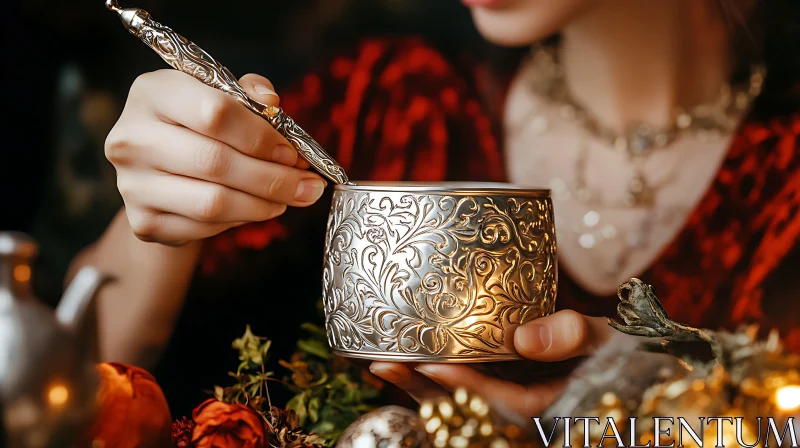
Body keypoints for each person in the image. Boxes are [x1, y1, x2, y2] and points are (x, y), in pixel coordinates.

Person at [70, 0, 800, 418]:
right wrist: (164, 222)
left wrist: (661, 413)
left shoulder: (783, 182)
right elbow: (71, 386)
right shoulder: (388, 99)